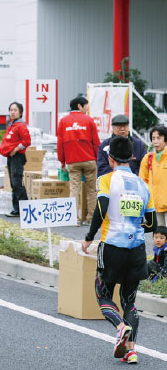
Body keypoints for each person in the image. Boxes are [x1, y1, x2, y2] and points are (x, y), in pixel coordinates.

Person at [81, 136, 156, 365]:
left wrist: (88, 237)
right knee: (129, 301)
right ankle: (131, 351)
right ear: (132, 158)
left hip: (112, 246)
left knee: (103, 294)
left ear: (110, 158)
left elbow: (101, 208)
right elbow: (151, 223)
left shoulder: (106, 179)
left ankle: (120, 327)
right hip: (137, 250)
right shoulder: (143, 185)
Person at [57, 96, 100, 225]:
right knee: (91, 190)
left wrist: (62, 161)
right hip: (89, 160)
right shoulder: (89, 120)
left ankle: (74, 219)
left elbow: (60, 144)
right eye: (86, 106)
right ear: (79, 106)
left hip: (72, 161)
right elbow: (96, 142)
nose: (87, 108)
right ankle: (91, 218)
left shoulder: (63, 122)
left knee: (74, 189)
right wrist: (97, 158)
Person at [0, 102, 31, 217]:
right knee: (14, 183)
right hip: (11, 157)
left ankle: (24, 209)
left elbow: (27, 141)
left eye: (15, 110)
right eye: (11, 110)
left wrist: (16, 149)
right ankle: (17, 209)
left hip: (17, 156)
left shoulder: (21, 125)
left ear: (20, 112)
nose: (12, 112)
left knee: (17, 182)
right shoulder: (11, 124)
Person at [139, 125, 167, 227]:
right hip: (154, 205)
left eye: (159, 138)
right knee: (159, 237)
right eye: (153, 138)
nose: (155, 141)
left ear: (165, 140)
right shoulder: (148, 158)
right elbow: (142, 181)